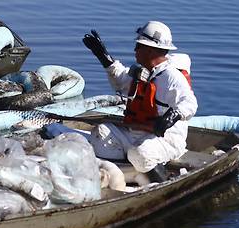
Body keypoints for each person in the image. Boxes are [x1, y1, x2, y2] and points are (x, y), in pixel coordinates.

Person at [82, 21, 198, 182]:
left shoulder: (171, 77)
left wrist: (172, 116)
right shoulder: (143, 72)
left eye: (139, 46)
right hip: (135, 131)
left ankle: (162, 181)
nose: (135, 50)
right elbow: (121, 81)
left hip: (166, 140)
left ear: (150, 50)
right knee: (101, 133)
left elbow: (190, 103)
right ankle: (127, 175)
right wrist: (103, 55)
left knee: (140, 153)